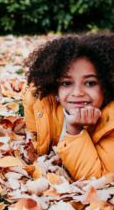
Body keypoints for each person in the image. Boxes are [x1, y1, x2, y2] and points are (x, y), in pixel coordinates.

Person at [23, 33, 114, 180]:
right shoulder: (38, 101)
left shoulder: (112, 122)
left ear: (107, 85)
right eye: (66, 83)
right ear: (55, 88)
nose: (77, 93)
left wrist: (75, 130)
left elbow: (97, 178)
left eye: (90, 83)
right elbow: (35, 144)